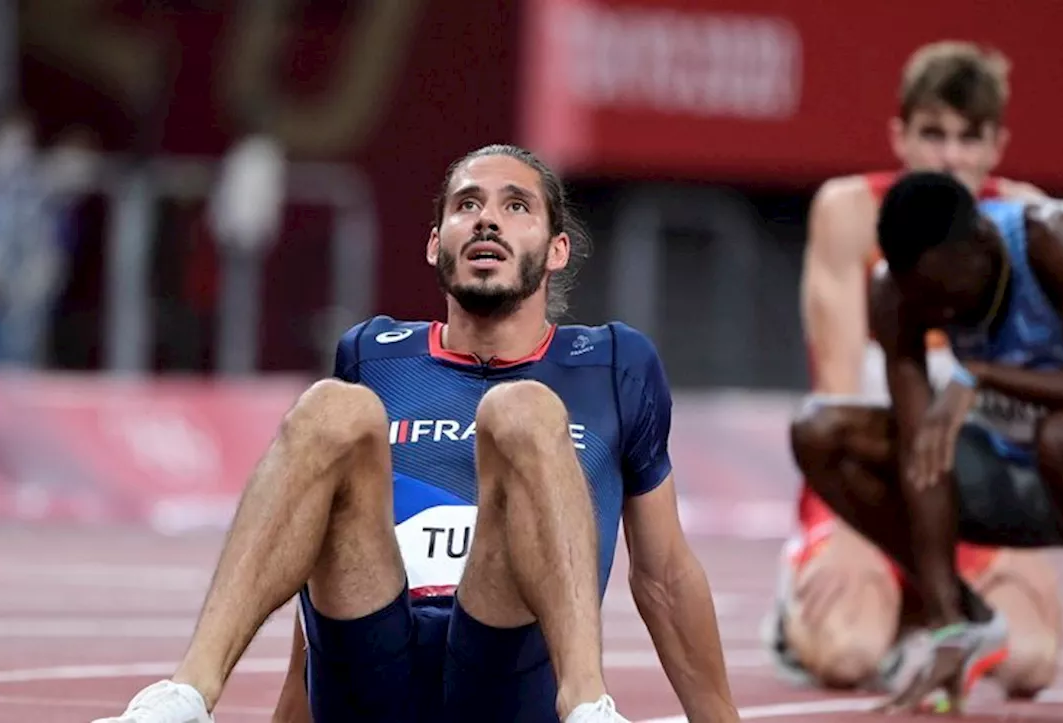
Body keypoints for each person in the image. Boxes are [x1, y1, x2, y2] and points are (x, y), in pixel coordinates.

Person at [93, 145, 740, 723]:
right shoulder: (374, 355)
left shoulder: (615, 364)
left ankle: (587, 708)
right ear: (435, 243)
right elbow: (322, 554)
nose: (487, 219)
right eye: (467, 205)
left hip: (509, 673)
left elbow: (663, 573)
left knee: (522, 410)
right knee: (330, 409)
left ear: (557, 248)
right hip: (376, 668)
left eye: (516, 206)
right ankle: (185, 697)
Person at [792, 170, 1063, 720]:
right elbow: (923, 458)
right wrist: (944, 617)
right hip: (999, 474)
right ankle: (966, 623)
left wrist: (983, 375)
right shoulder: (897, 293)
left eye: (946, 296)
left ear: (981, 247)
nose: (941, 315)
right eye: (924, 301)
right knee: (822, 432)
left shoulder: (1058, 239)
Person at [766, 41, 1063, 705]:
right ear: (900, 137)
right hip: (868, 489)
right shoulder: (849, 213)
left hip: (973, 502)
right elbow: (838, 390)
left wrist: (1024, 536)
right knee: (846, 650)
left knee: (1033, 660)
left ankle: (932, 618)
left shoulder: (1028, 222)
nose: (950, 157)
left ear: (996, 146)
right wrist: (843, 526)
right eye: (933, 134)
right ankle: (838, 606)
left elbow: (1028, 397)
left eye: (968, 137)